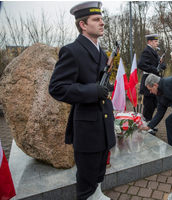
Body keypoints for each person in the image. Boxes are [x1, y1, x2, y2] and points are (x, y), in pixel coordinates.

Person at [48, 2, 115, 200]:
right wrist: (92, 90)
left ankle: (98, 194)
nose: (102, 23)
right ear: (83, 25)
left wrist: (105, 88)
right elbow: (57, 87)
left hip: (103, 123)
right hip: (87, 127)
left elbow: (97, 82)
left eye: (102, 19)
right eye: (96, 20)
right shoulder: (72, 51)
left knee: (99, 169)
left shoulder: (102, 52)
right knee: (86, 178)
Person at [138, 34, 166, 136]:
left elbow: (162, 66)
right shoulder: (147, 51)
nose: (157, 43)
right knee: (148, 105)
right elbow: (141, 64)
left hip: (155, 81)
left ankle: (150, 124)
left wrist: (161, 64)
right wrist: (155, 69)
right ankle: (145, 125)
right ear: (149, 42)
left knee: (154, 104)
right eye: (155, 41)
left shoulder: (154, 52)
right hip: (148, 82)